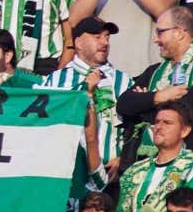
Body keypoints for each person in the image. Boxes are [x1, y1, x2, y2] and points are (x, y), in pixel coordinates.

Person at [116, 7, 193, 163]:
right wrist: (160, 96)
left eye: (160, 32)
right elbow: (124, 104)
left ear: (179, 32)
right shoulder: (153, 71)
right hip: (144, 163)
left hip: (188, 165)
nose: (156, 39)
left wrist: (144, 107)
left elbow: (190, 110)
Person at [40, 17, 135, 183]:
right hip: (68, 173)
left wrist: (124, 159)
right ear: (78, 42)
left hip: (112, 174)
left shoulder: (124, 81)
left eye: (107, 37)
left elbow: (136, 127)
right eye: (97, 37)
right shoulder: (54, 82)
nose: (104, 42)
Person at [113, 102, 193, 212]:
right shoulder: (135, 171)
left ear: (185, 131)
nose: (159, 127)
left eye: (167, 123)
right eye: (157, 122)